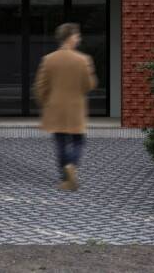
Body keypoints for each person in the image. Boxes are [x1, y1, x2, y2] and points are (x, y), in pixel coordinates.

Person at [33, 21, 97, 191]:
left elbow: (40, 87)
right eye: (77, 35)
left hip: (55, 108)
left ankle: (65, 177)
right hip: (76, 108)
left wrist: (45, 103)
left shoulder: (48, 60)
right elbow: (89, 85)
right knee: (78, 141)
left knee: (60, 142)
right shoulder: (83, 60)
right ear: (70, 37)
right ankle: (71, 166)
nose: (79, 39)